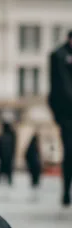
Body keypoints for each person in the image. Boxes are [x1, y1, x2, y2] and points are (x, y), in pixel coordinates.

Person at [48, 30, 72, 207]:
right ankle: (66, 190)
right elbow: (58, 87)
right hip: (67, 114)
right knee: (70, 153)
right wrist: (58, 115)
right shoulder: (59, 56)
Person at [0, 121, 17, 186]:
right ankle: (8, 181)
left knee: (2, 170)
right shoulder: (11, 136)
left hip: (3, 157)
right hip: (8, 157)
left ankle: (1, 181)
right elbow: (13, 147)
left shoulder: (0, 136)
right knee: (8, 171)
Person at [25, 133, 42, 201]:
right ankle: (34, 192)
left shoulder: (32, 146)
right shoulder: (33, 146)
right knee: (34, 180)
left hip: (35, 165)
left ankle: (35, 192)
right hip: (34, 165)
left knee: (35, 180)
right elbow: (27, 156)